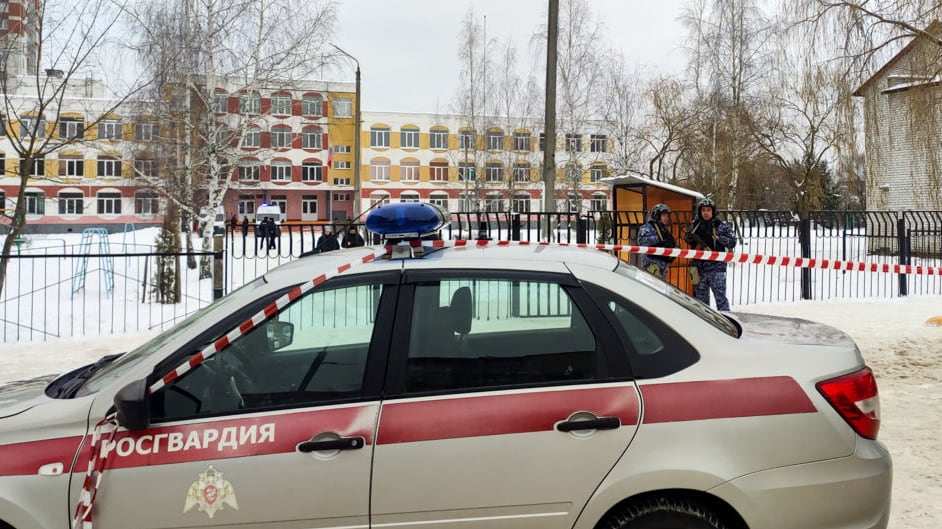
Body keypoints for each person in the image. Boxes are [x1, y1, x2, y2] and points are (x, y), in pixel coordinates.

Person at [684, 198, 738, 311]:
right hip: (699, 268)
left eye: (708, 210)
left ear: (713, 211)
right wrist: (693, 239)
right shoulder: (695, 225)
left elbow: (732, 242)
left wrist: (718, 238)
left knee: (721, 300)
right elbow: (687, 238)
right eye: (703, 210)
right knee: (701, 303)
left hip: (716, 268)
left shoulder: (721, 225)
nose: (706, 213)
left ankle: (725, 320)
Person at [635, 203, 677, 279]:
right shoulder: (647, 227)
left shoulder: (663, 229)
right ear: (657, 215)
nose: (666, 218)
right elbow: (641, 242)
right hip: (652, 264)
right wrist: (658, 238)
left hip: (662, 266)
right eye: (664, 215)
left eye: (667, 216)